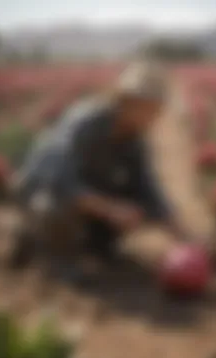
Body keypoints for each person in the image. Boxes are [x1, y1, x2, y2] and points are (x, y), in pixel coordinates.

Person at [10, 62, 191, 269]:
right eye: (153, 109)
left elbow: (147, 187)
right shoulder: (86, 122)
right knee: (53, 209)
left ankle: (89, 241)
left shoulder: (134, 138)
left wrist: (179, 232)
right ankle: (40, 242)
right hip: (43, 191)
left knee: (132, 210)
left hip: (88, 197)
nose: (157, 117)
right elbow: (60, 180)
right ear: (131, 102)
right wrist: (110, 210)